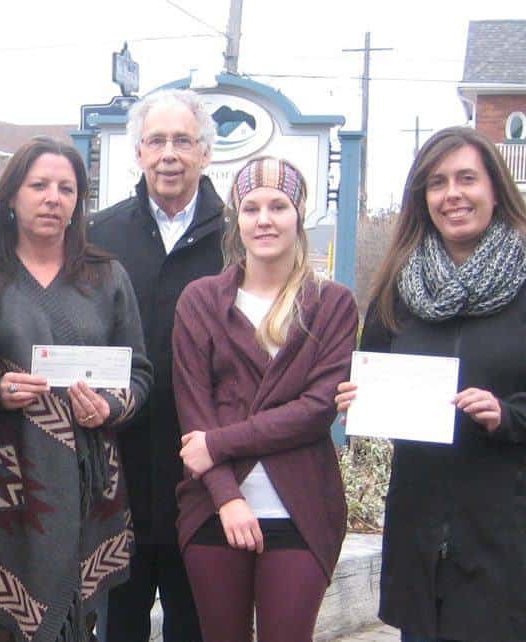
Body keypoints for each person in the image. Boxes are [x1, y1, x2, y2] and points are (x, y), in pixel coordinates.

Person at [335, 127, 526, 642]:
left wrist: (508, 415)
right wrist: (358, 400)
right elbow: (368, 369)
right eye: (437, 183)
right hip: (421, 527)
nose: (453, 194)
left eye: (467, 178)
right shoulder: (401, 285)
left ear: (495, 188)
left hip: (507, 531)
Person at [0, 136, 152, 642]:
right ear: (12, 197)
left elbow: (141, 374)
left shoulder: (106, 276)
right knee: (0, 626)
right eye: (39, 185)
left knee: (79, 621)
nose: (53, 197)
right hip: (5, 484)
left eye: (66, 188)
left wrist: (109, 406)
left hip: (88, 483)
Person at [171, 156, 357, 641]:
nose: (265, 219)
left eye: (278, 206)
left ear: (300, 215)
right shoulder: (201, 300)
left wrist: (218, 442)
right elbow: (194, 410)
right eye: (251, 207)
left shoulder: (331, 304)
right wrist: (228, 499)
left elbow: (316, 411)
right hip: (213, 507)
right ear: (237, 215)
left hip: (302, 507)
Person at [86, 88, 224, 641]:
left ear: (205, 153)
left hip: (206, 471)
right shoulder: (99, 235)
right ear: (138, 152)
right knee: (119, 625)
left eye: (183, 141)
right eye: (157, 141)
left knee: (195, 627)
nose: (170, 154)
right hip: (117, 466)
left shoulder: (237, 236)